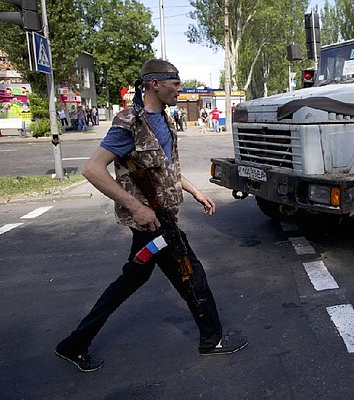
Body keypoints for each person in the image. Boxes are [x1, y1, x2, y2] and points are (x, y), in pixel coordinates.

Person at [55, 59, 248, 373]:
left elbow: (167, 172)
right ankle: (212, 339)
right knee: (191, 274)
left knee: (133, 277)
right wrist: (136, 207)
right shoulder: (129, 123)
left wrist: (195, 191)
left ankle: (74, 343)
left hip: (161, 221)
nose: (179, 88)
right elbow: (92, 169)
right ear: (155, 84)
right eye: (174, 82)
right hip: (153, 225)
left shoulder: (166, 121)